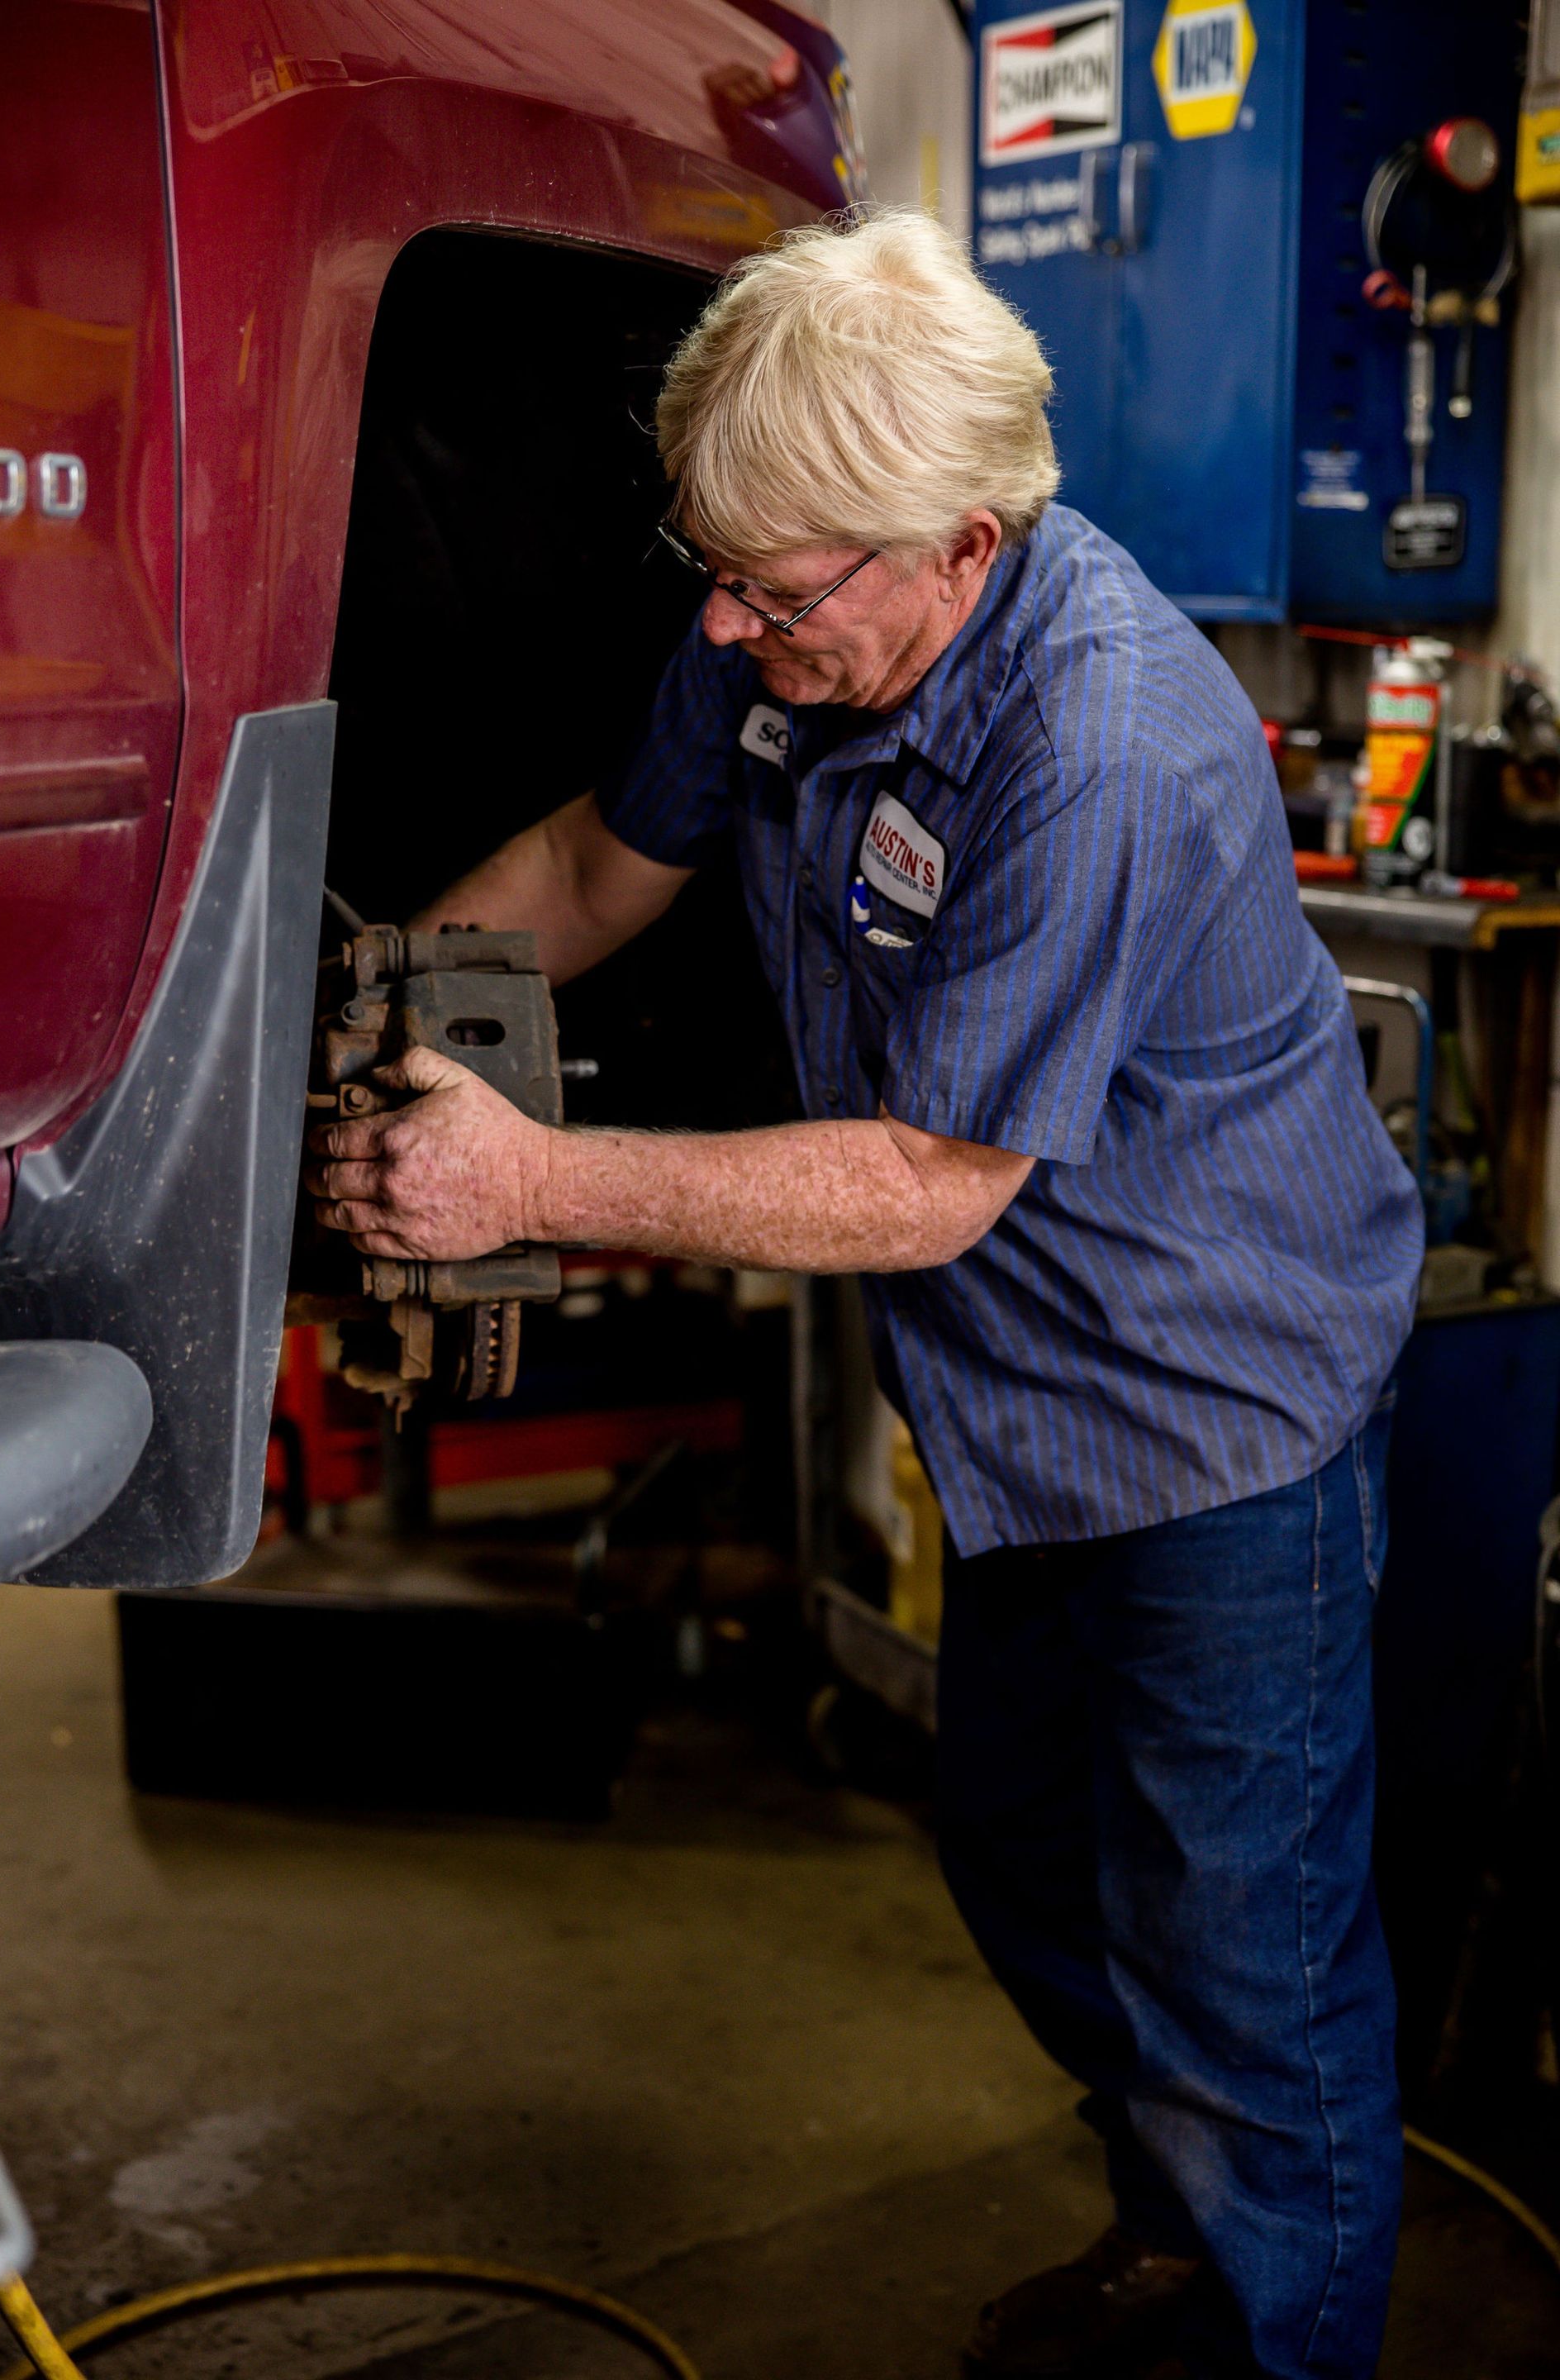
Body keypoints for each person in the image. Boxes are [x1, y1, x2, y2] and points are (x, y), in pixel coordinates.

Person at [307, 209, 1423, 2379]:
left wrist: (527, 1172)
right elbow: (595, 869)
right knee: (1019, 1853)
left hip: (1221, 1425)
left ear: (961, 550)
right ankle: (1187, 2227)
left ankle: (1275, 2301)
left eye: (779, 590)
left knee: (1246, 1965)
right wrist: (383, 997)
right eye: (714, 571)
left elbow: (923, 1186)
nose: (727, 625)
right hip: (1029, 1419)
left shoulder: (1099, 739)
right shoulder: (784, 611)